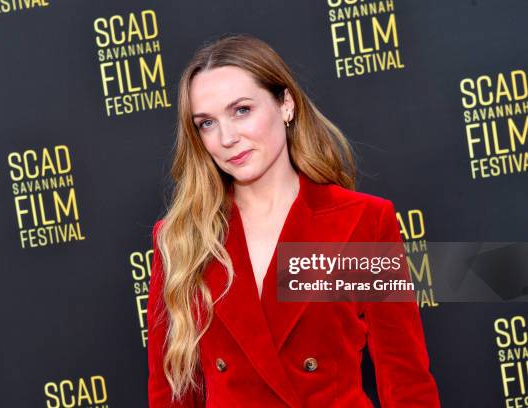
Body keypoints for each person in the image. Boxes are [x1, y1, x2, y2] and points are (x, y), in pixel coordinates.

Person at [147, 33, 440, 407]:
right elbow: (171, 393)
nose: (227, 137)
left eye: (241, 110)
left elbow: (406, 380)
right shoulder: (181, 237)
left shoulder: (363, 221)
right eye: (207, 123)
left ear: (285, 105)